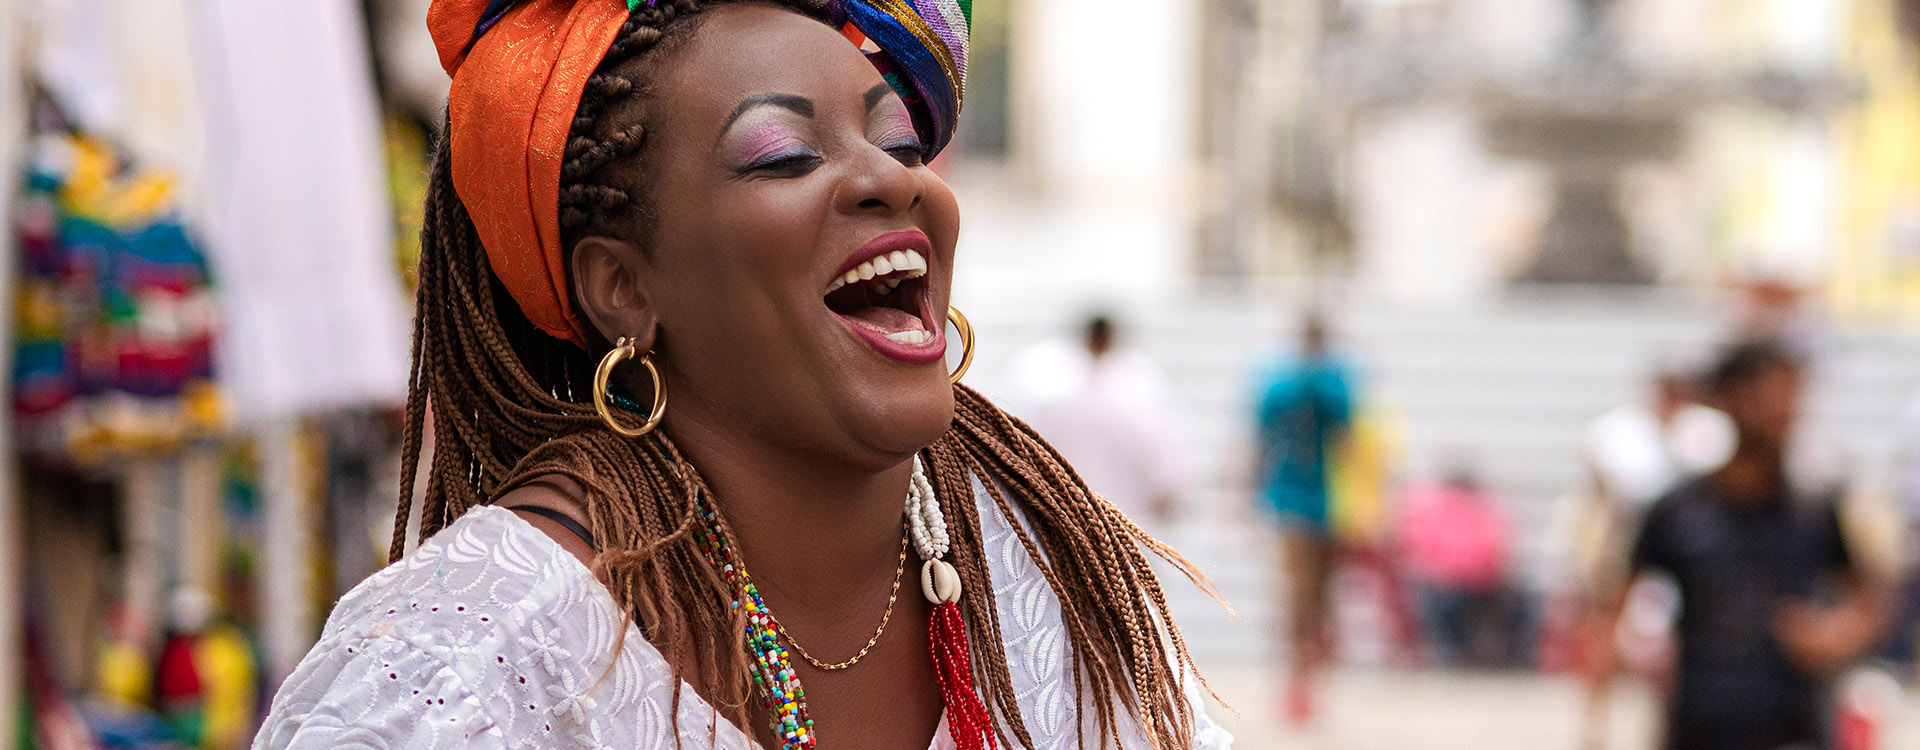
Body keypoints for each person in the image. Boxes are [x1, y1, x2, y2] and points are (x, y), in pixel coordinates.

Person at [254, 2, 1233, 749]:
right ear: (622, 287)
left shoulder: (1042, 574)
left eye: (899, 143)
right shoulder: (464, 668)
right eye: (784, 155)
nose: (894, 179)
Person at [1584, 339, 1891, 750]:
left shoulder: (1814, 509)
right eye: (1772, 397)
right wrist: (1595, 729)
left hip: (1793, 728)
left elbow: (1869, 598)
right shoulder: (1677, 510)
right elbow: (1610, 610)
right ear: (1729, 400)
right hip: (1697, 728)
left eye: (1793, 399)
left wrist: (1834, 635)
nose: (1785, 413)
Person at [1252, 313, 1353, 724]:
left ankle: (1304, 682)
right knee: (1306, 598)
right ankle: (1301, 683)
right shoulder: (1331, 384)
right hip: (1309, 502)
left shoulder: (1295, 385)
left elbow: (1260, 444)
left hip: (1309, 502)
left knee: (1309, 599)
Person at [1007, 315, 1187, 526]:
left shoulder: (1047, 393)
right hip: (1120, 525)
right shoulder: (1138, 395)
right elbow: (1167, 473)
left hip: (1062, 521)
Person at [1395, 468, 1520, 668]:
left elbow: (1496, 547)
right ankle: (1453, 650)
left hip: (1479, 582)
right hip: (1449, 582)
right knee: (1438, 599)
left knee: (1517, 600)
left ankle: (1503, 655)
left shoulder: (1483, 510)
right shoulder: (1435, 510)